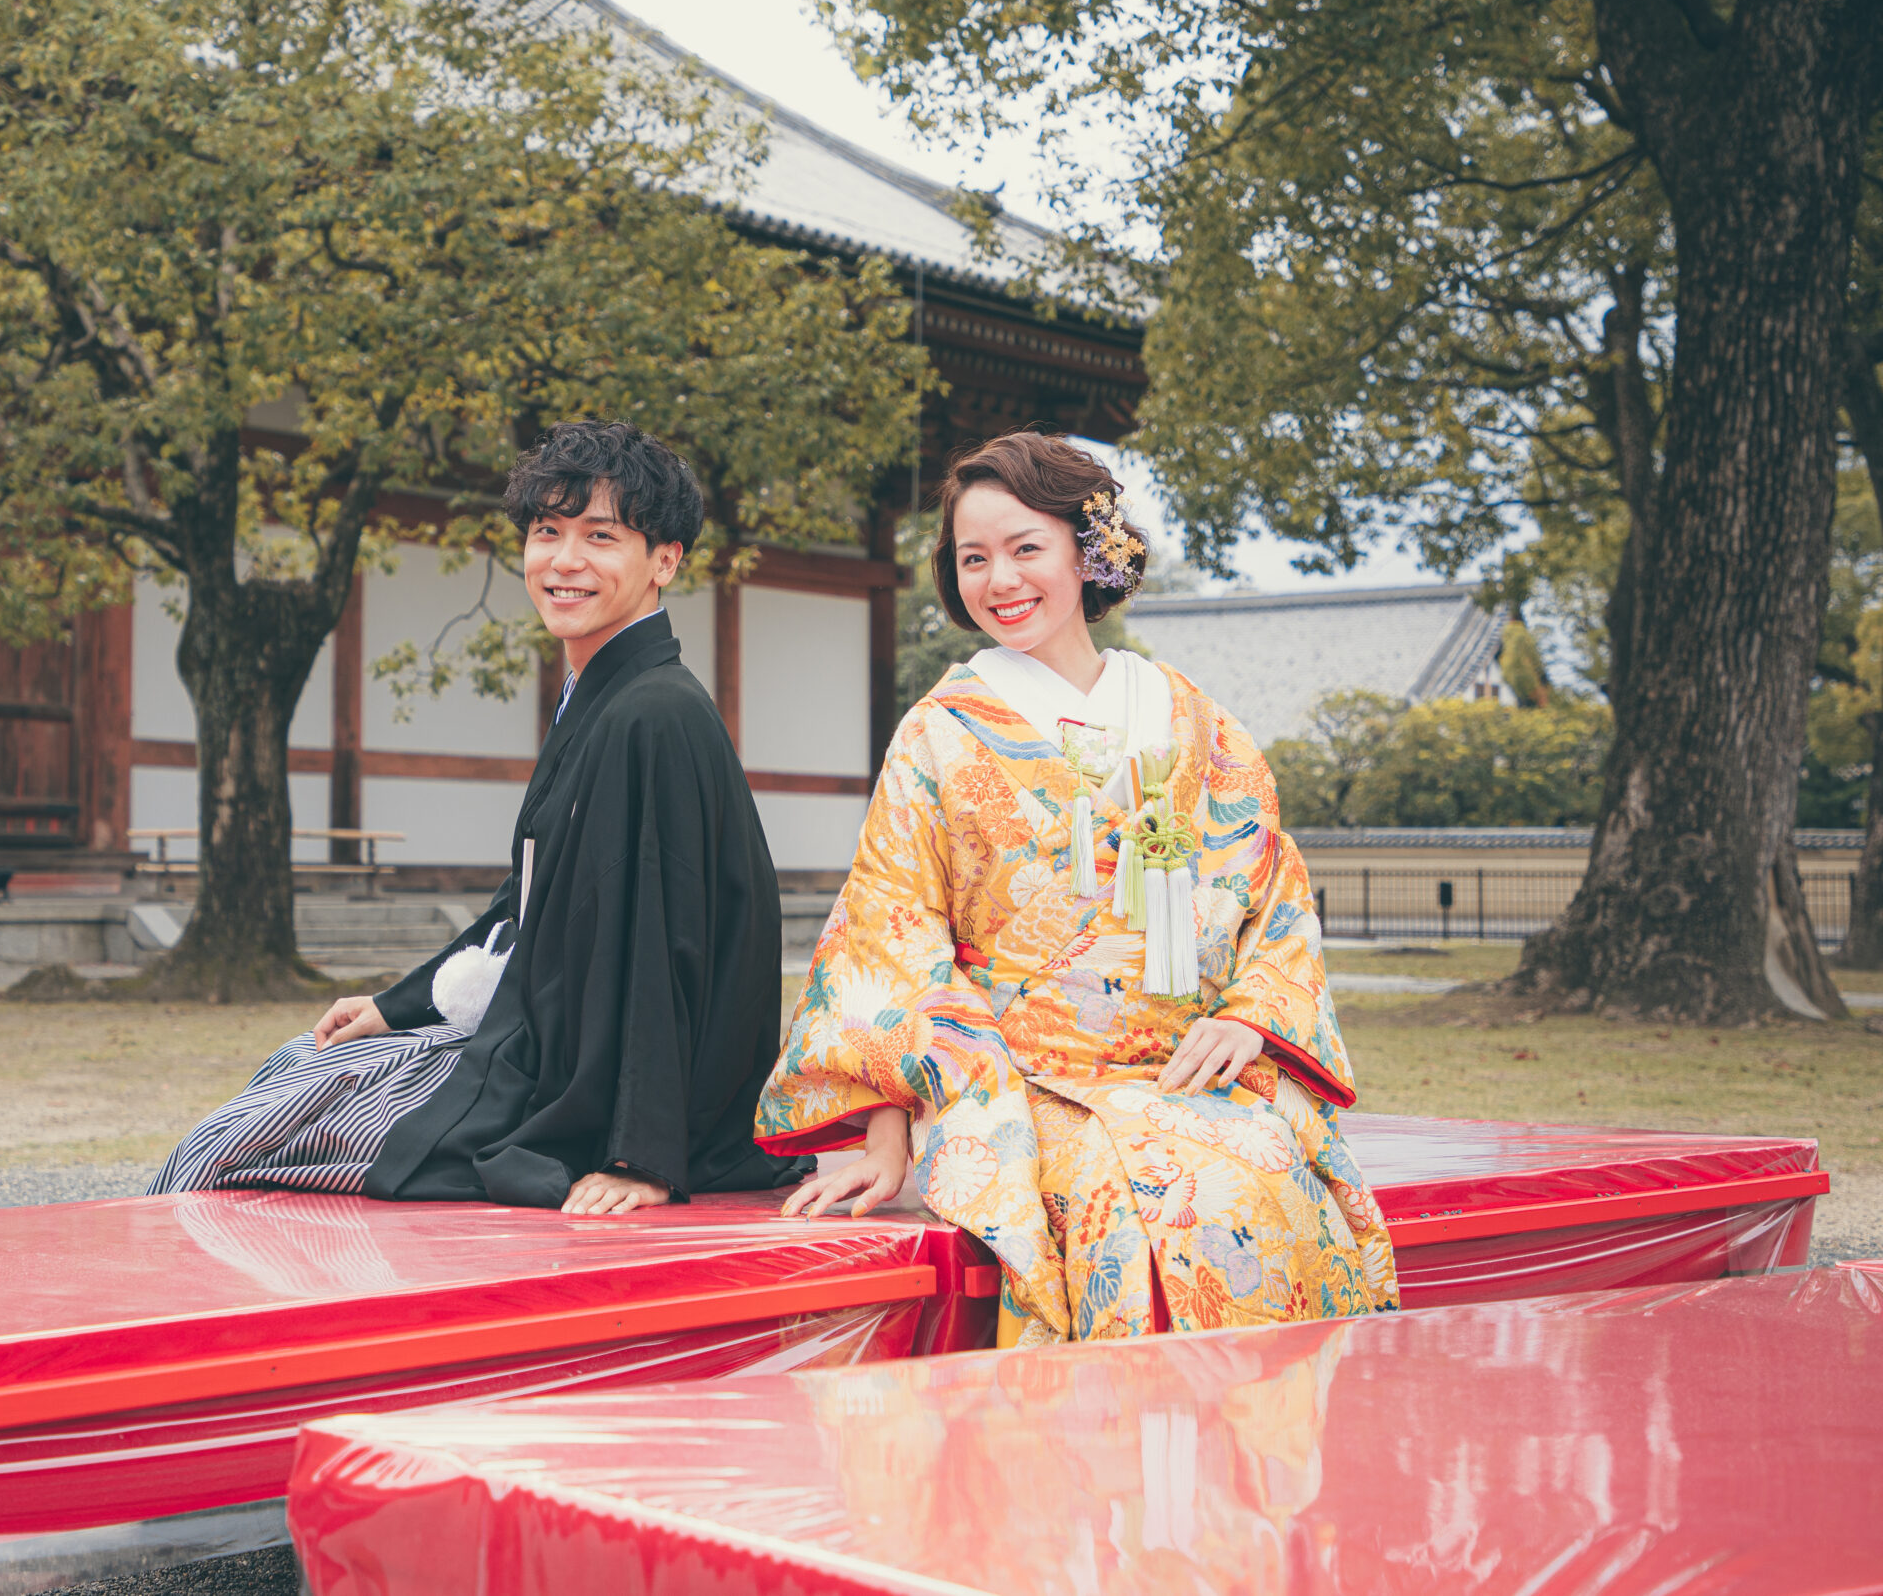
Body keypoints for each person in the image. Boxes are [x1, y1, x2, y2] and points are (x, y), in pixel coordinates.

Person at [759, 431, 1398, 1343]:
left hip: (1186, 1069)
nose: (1000, 580)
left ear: (1086, 550)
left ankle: (1244, 1469)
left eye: (1027, 548)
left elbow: (1270, 882)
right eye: (974, 558)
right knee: (1123, 1198)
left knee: (1261, 1166)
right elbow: (889, 931)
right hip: (1020, 1084)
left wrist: (1252, 1016)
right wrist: (886, 1131)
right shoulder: (939, 734)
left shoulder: (1189, 719)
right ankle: (1112, 1467)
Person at [147, 421, 807, 1214]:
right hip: (548, 1044)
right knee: (294, 1065)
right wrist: (397, 1004)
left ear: (665, 559)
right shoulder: (601, 697)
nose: (564, 562)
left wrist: (643, 1154)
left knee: (228, 1142)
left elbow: (671, 942)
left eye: (600, 537)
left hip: (584, 1093)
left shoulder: (654, 715)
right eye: (546, 533)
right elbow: (526, 901)